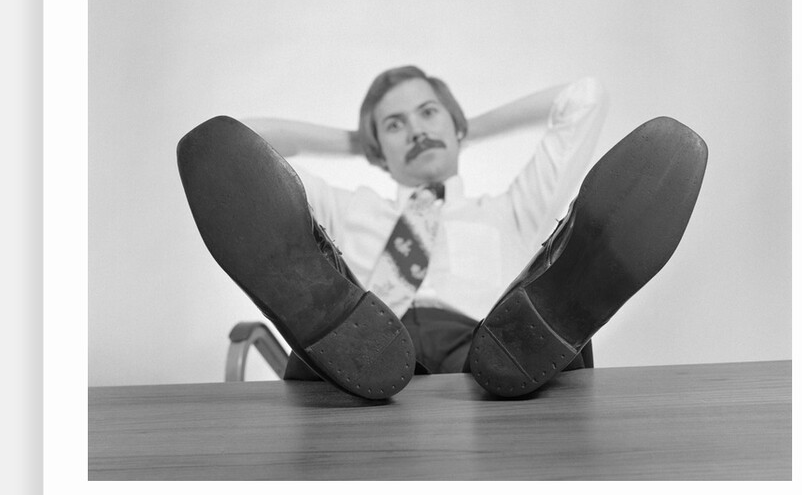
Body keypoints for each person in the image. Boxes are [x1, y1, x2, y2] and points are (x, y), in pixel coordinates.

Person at [177, 66, 707, 400]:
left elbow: (583, 98)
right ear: (377, 150)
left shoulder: (510, 210)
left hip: (487, 356)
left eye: (428, 113)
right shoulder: (350, 207)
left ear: (455, 125)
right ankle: (332, 321)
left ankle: (550, 307)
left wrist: (461, 127)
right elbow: (238, 154)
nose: (416, 130)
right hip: (359, 348)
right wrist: (356, 141)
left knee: (519, 327)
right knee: (338, 320)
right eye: (395, 125)